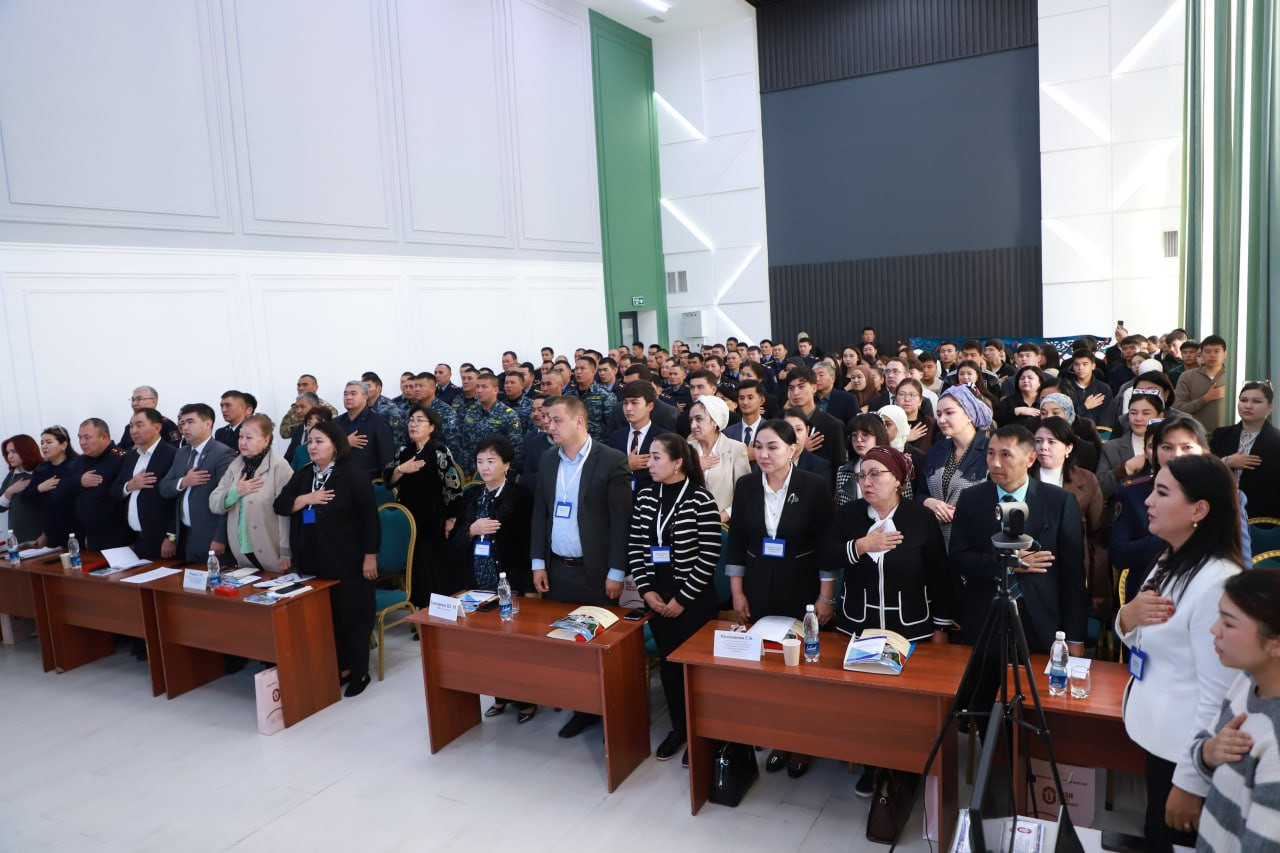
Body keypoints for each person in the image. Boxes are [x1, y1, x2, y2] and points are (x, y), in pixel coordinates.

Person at [1116, 454, 1243, 849]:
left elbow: (1219, 698)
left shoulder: (1217, 582)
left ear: (1198, 510)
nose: (1148, 501)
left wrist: (1191, 782)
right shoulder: (1172, 558)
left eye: (1162, 492)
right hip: (1160, 737)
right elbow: (1150, 638)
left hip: (1185, 754)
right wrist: (1126, 618)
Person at [725, 419, 836, 779]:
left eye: (773, 447)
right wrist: (737, 592)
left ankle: (803, 742)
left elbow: (827, 545)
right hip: (759, 586)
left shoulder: (813, 486)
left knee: (801, 667)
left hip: (802, 589)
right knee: (769, 666)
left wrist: (826, 597)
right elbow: (737, 541)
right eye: (758, 446)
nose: (764, 454)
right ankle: (778, 737)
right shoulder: (746, 485)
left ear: (792, 449)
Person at [529, 395, 631, 739]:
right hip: (558, 568)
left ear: (579, 421)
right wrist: (538, 563)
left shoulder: (611, 460)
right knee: (565, 644)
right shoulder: (547, 459)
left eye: (556, 420)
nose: (549, 426)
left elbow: (621, 522)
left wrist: (616, 571)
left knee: (600, 646)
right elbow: (540, 513)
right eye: (547, 420)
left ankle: (609, 709)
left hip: (596, 572)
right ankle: (581, 707)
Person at [950, 425, 1088, 655]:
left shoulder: (1059, 502)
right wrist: (1008, 563)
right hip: (985, 617)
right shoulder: (971, 499)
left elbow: (1073, 576)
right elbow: (958, 557)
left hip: (1041, 620)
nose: (995, 463)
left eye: (1006, 455)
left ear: (1030, 459)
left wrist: (1074, 637)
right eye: (991, 453)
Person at [629, 433, 722, 764]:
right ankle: (680, 728)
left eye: (656, 457)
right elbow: (635, 547)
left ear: (678, 462)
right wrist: (646, 591)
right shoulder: (645, 496)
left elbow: (709, 555)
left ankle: (703, 733)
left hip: (692, 600)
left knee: (695, 671)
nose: (649, 463)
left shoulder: (700, 499)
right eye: (649, 457)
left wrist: (682, 599)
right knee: (669, 667)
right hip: (657, 597)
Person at [274, 420, 380, 698]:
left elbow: (370, 519)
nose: (312, 446)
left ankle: (359, 672)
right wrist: (307, 498)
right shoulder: (304, 474)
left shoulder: (353, 474)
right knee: (325, 618)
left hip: (348, 559)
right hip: (312, 560)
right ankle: (339, 667)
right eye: (310, 441)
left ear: (335, 445)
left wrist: (370, 556)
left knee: (352, 617)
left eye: (319, 441)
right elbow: (281, 505)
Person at [447, 435, 537, 724]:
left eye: (491, 461)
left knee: (516, 644)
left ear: (506, 464)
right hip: (477, 580)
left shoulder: (520, 496)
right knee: (487, 644)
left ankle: (526, 698)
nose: (484, 467)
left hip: (511, 581)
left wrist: (529, 586)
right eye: (480, 462)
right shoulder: (471, 496)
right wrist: (471, 530)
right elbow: (454, 543)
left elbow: (529, 544)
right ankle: (499, 694)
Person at [1193, 569, 1280, 850]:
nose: (1214, 629)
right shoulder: (1247, 681)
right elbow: (1204, 745)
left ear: (1276, 644)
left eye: (1228, 624)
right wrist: (1209, 752)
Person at [385, 405, 464, 602]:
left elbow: (453, 487)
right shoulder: (405, 451)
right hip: (408, 517)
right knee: (414, 566)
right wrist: (401, 469)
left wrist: (451, 518)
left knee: (429, 566)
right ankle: (416, 608)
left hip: (432, 517)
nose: (413, 424)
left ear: (432, 427)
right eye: (411, 420)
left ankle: (432, 608)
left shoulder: (439, 451)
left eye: (419, 420)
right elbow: (388, 479)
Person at [1034, 417, 1109, 612]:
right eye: (1038, 441)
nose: (1043, 447)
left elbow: (1098, 538)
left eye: (1051, 442)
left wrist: (1098, 590)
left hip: (1073, 571)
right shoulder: (1022, 477)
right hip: (1032, 570)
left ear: (1068, 448)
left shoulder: (1087, 480)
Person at [209, 414, 291, 571]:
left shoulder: (279, 466)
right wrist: (236, 492)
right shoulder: (235, 465)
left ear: (265, 440)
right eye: (240, 437)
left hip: (271, 548)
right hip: (241, 551)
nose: (242, 442)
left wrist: (286, 551)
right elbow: (214, 502)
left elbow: (285, 513)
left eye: (249, 438)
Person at [159, 404, 234, 563]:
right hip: (188, 535)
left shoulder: (222, 453)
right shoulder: (181, 453)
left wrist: (220, 537)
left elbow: (227, 499)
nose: (184, 427)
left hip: (212, 536)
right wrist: (183, 482)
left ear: (208, 424)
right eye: (182, 422)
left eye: (190, 422)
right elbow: (164, 488)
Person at [919, 385, 992, 548]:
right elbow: (921, 493)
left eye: (949, 413)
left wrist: (962, 514)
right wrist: (929, 502)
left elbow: (996, 500)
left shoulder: (990, 451)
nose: (941, 420)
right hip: (936, 541)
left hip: (974, 541)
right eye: (939, 414)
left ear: (969, 414)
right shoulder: (936, 450)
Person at [111, 408, 178, 560]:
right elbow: (114, 491)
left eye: (139, 425)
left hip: (163, 540)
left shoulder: (172, 454)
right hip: (136, 539)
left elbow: (177, 499)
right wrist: (129, 485)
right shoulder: (130, 457)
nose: (134, 431)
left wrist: (171, 536)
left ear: (157, 427)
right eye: (131, 426)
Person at [1212, 381, 1280, 519]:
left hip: (1263, 516)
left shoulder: (1276, 440)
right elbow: (1204, 469)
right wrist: (1227, 462)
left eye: (1256, 401)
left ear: (1270, 406)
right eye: (1243, 400)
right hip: (1222, 511)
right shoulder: (1221, 435)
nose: (1248, 406)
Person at [69, 418, 132, 551]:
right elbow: (63, 487)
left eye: (87, 437)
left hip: (118, 535)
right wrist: (80, 481)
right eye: (80, 437)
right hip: (90, 535)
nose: (82, 442)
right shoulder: (81, 461)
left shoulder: (121, 458)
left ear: (104, 437)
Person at [687, 395, 750, 524]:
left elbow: (746, 493)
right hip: (689, 523)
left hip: (723, 525)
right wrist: (694, 467)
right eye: (691, 420)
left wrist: (723, 516)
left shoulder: (736, 449)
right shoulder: (686, 449)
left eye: (699, 419)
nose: (693, 425)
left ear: (714, 421)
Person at [1096, 390, 1163, 499]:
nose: (1138, 418)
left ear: (1160, 415)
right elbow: (1098, 489)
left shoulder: (1173, 446)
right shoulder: (1112, 448)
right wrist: (1125, 469)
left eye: (1146, 413)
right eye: (1133, 413)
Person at [20, 426, 79, 548]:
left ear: (63, 445)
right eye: (42, 443)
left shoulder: (77, 465)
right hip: (51, 534)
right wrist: (40, 488)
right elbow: (25, 498)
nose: (44, 446)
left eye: (49, 442)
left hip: (76, 532)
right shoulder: (41, 469)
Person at [458, 373, 524, 480]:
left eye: (484, 387)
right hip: (473, 473)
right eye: (477, 387)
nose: (479, 391)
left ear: (495, 390)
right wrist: (466, 472)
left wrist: (508, 475)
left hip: (497, 474)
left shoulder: (508, 415)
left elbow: (516, 448)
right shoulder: (470, 413)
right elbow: (465, 445)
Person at [607, 381, 669, 494]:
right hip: (620, 497)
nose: (628, 408)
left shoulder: (664, 438)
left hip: (652, 498)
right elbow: (607, 471)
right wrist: (626, 465)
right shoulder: (615, 437)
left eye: (634, 403)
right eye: (625, 403)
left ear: (649, 406)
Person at [784, 366, 847, 472]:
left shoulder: (833, 426)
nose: (795, 393)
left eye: (801, 387)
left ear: (814, 388)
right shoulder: (782, 423)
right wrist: (800, 449)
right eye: (791, 388)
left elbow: (839, 467)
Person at [336, 380, 395, 480]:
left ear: (365, 397)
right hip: (340, 479)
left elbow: (387, 457)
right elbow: (327, 452)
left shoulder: (378, 422)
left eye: (353, 394)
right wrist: (345, 443)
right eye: (345, 394)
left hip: (369, 481)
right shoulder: (336, 423)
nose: (348, 397)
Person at [1174, 334, 1229, 432]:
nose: (1212, 355)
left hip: (1228, 434)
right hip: (1196, 434)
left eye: (1217, 351)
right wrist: (1206, 398)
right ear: (1201, 354)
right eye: (1207, 351)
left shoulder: (1233, 377)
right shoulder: (1187, 376)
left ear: (1225, 354)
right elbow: (1178, 409)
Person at [1039, 391, 1101, 474]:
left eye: (1055, 413)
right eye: (1043, 413)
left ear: (1068, 414)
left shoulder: (1085, 449)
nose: (1048, 417)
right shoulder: (1033, 442)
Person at [835, 413, 890, 506]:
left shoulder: (895, 468)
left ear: (878, 436)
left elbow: (905, 505)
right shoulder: (843, 471)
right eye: (854, 435)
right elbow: (839, 508)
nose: (859, 440)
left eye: (865, 434)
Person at [1, 435, 42, 542]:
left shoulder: (42, 471)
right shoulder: (12, 475)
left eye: (13, 452)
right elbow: (0, 508)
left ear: (26, 451)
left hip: (40, 538)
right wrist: (10, 491)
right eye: (7, 452)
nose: (9, 456)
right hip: (17, 540)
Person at [117, 386, 181, 450]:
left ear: (153, 402)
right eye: (133, 400)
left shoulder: (168, 425)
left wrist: (149, 447)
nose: (134, 404)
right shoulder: (129, 427)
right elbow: (120, 450)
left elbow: (176, 449)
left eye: (139, 399)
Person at [781, 409, 833, 487]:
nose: (794, 436)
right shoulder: (769, 462)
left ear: (807, 431)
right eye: (788, 429)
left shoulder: (820, 467)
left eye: (799, 429)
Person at [278, 374, 338, 439]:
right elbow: (283, 432)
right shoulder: (294, 409)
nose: (300, 388)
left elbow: (331, 430)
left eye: (305, 385)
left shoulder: (328, 409)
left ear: (316, 387)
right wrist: (302, 426)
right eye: (299, 385)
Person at [995, 366, 1046, 431]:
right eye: (1022, 378)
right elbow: (997, 419)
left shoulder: (1045, 402)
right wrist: (1016, 411)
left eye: (1030, 378)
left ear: (1040, 382)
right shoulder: (1009, 401)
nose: (1025, 380)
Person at [895, 377, 939, 452]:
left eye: (912, 395)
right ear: (896, 400)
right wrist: (903, 439)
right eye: (901, 394)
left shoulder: (932, 425)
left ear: (920, 401)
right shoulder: (889, 423)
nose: (906, 399)